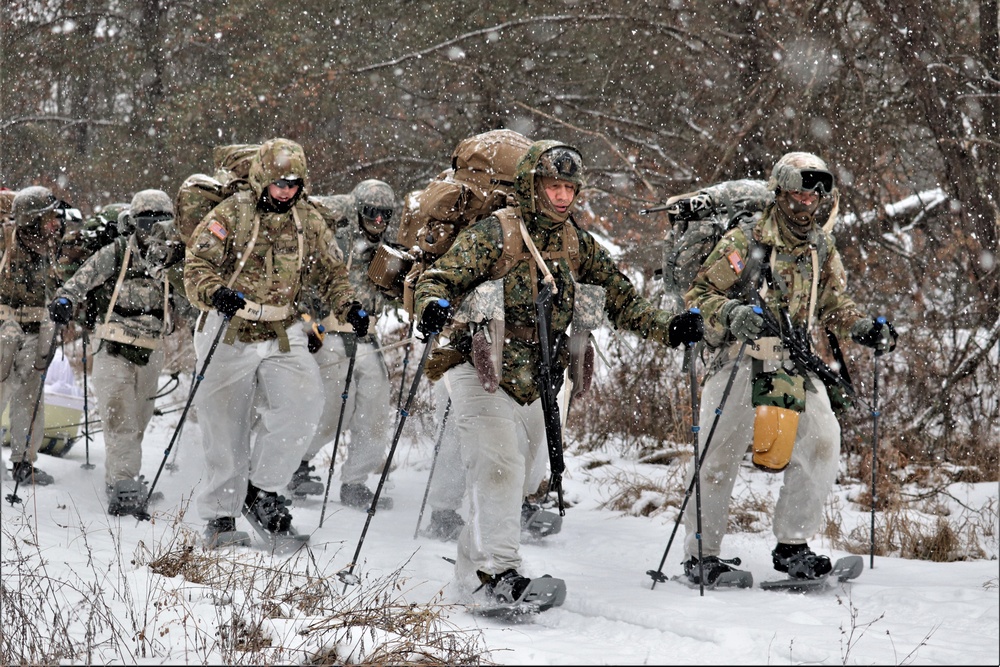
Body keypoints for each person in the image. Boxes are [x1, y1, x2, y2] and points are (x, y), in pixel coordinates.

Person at [412, 140, 705, 607]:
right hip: (480, 365)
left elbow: (621, 299)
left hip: (538, 374)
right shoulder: (496, 233)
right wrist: (431, 304)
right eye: (554, 186)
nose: (563, 196)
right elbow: (439, 278)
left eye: (570, 187)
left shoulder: (576, 243)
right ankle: (498, 576)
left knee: (522, 476)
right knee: (500, 466)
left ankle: (474, 578)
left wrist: (669, 328)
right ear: (533, 186)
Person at [679, 151, 898, 585]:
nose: (807, 202)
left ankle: (793, 546)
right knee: (719, 453)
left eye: (817, 194)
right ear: (780, 191)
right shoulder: (747, 239)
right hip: (740, 353)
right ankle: (700, 555)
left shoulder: (821, 246)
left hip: (792, 358)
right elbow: (697, 296)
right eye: (799, 192)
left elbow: (836, 304)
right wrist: (733, 313)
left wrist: (862, 328)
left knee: (822, 439)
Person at [183, 138, 368, 546]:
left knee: (304, 405)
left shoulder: (309, 220)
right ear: (263, 178)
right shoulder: (231, 212)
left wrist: (348, 305)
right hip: (228, 327)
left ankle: (262, 490)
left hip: (283, 328)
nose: (286, 191)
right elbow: (196, 264)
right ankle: (220, 518)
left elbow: (332, 272)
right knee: (225, 424)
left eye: (294, 183)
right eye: (279, 182)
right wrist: (216, 292)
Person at [49, 189, 196, 516]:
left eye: (162, 222)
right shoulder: (115, 253)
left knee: (139, 420)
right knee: (119, 418)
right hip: (112, 345)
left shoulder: (174, 261)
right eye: (147, 222)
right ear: (133, 223)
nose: (154, 229)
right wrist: (64, 301)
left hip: (152, 350)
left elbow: (191, 300)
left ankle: (123, 475)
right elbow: (78, 283)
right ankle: (123, 483)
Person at [291, 179, 398, 510]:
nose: (378, 221)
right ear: (358, 211)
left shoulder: (388, 251)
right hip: (331, 336)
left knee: (375, 412)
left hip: (369, 339)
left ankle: (355, 481)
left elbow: (390, 295)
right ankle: (297, 463)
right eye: (371, 213)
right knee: (332, 411)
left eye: (385, 215)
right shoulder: (335, 242)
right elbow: (305, 286)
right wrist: (308, 327)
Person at [1, 186, 78, 485]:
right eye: (47, 218)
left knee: (31, 398)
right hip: (5, 328)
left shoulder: (52, 244)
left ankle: (23, 461)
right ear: (32, 220)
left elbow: (71, 270)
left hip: (38, 328)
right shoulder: (6, 241)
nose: (54, 224)